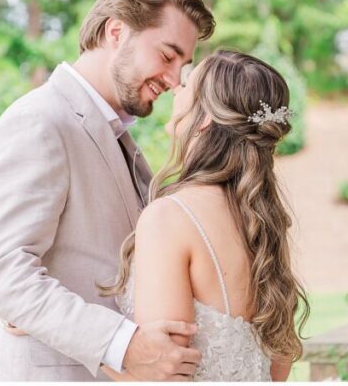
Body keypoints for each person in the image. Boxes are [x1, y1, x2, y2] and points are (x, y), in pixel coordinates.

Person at [0, 0, 216, 381]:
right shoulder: (39, 121)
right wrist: (121, 343)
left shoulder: (117, 135)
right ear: (116, 32)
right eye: (168, 55)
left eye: (183, 65)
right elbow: (1, 273)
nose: (175, 80)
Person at [102, 50, 308, 382]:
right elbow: (278, 369)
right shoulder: (263, 225)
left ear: (205, 117)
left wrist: (92, 352)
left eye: (186, 85)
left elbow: (164, 376)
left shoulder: (170, 219)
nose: (175, 90)